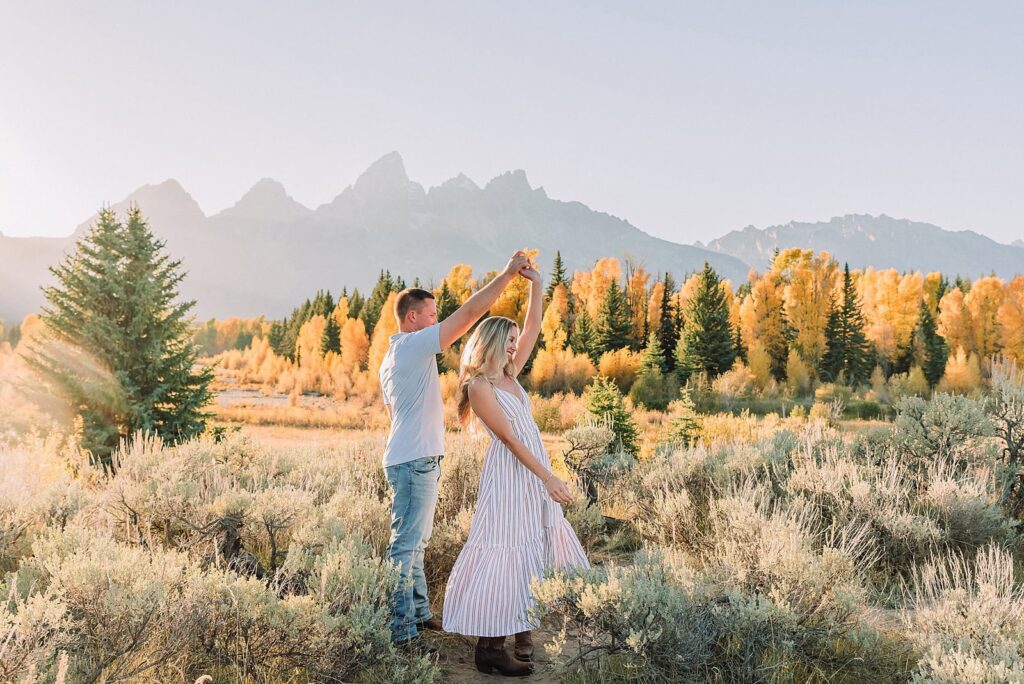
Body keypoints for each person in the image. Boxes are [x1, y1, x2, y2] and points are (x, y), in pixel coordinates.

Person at [379, 251, 531, 650]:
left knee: (416, 543)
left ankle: (420, 613)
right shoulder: (412, 345)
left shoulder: (391, 358)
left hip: (411, 458)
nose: (437, 321)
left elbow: (395, 412)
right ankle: (403, 634)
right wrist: (506, 276)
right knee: (406, 546)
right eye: (432, 315)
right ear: (413, 317)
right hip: (414, 461)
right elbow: (468, 315)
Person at [442, 263, 590, 676]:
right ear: (488, 342)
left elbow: (533, 329)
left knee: (529, 545)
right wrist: (548, 476)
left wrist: (537, 286)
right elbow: (507, 438)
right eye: (506, 341)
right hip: (511, 475)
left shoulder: (510, 375)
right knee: (505, 547)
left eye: (513, 342)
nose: (513, 347)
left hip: (531, 471)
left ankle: (518, 634)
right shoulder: (480, 386)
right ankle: (490, 647)